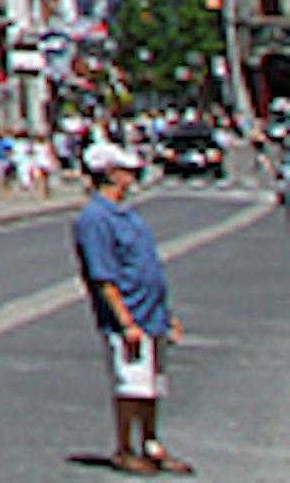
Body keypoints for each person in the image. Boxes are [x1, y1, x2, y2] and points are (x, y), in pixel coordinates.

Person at [73, 138, 189, 475]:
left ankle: (151, 443)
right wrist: (125, 321)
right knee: (131, 385)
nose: (132, 175)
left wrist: (166, 314)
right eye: (125, 170)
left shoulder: (126, 213)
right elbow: (103, 275)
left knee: (153, 383)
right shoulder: (94, 219)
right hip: (130, 315)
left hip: (151, 312)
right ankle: (124, 448)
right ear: (110, 173)